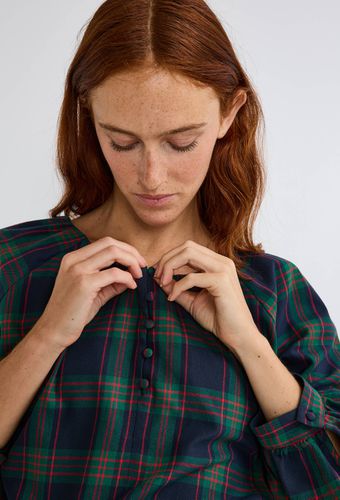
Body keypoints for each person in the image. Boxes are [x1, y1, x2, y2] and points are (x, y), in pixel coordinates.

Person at [0, 0, 339, 498]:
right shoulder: (14, 265)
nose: (152, 177)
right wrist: (48, 335)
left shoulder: (277, 291)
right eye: (122, 142)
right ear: (88, 113)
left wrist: (249, 343)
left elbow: (328, 483)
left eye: (181, 142)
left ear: (229, 114)